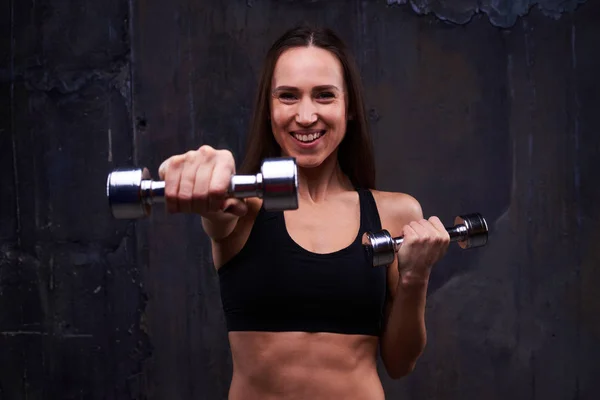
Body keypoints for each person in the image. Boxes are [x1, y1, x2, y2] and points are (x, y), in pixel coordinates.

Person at [158, 25, 450, 400]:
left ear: (351, 109)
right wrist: (201, 169)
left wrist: (415, 277)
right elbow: (216, 204)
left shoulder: (394, 211)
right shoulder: (241, 205)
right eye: (288, 97)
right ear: (269, 109)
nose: (307, 115)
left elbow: (399, 362)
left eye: (325, 96)